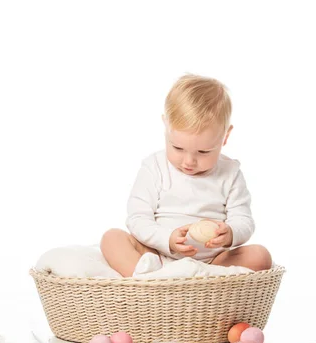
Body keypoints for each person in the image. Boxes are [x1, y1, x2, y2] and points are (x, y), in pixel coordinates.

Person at [100, 74, 272, 277]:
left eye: (203, 152)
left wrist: (231, 233)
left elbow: (243, 219)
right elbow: (138, 218)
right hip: (157, 255)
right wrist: (167, 239)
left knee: (260, 256)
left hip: (212, 261)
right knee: (111, 239)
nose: (189, 161)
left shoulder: (230, 173)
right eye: (178, 148)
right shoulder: (154, 167)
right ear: (166, 127)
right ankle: (150, 279)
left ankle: (198, 276)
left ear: (225, 136)